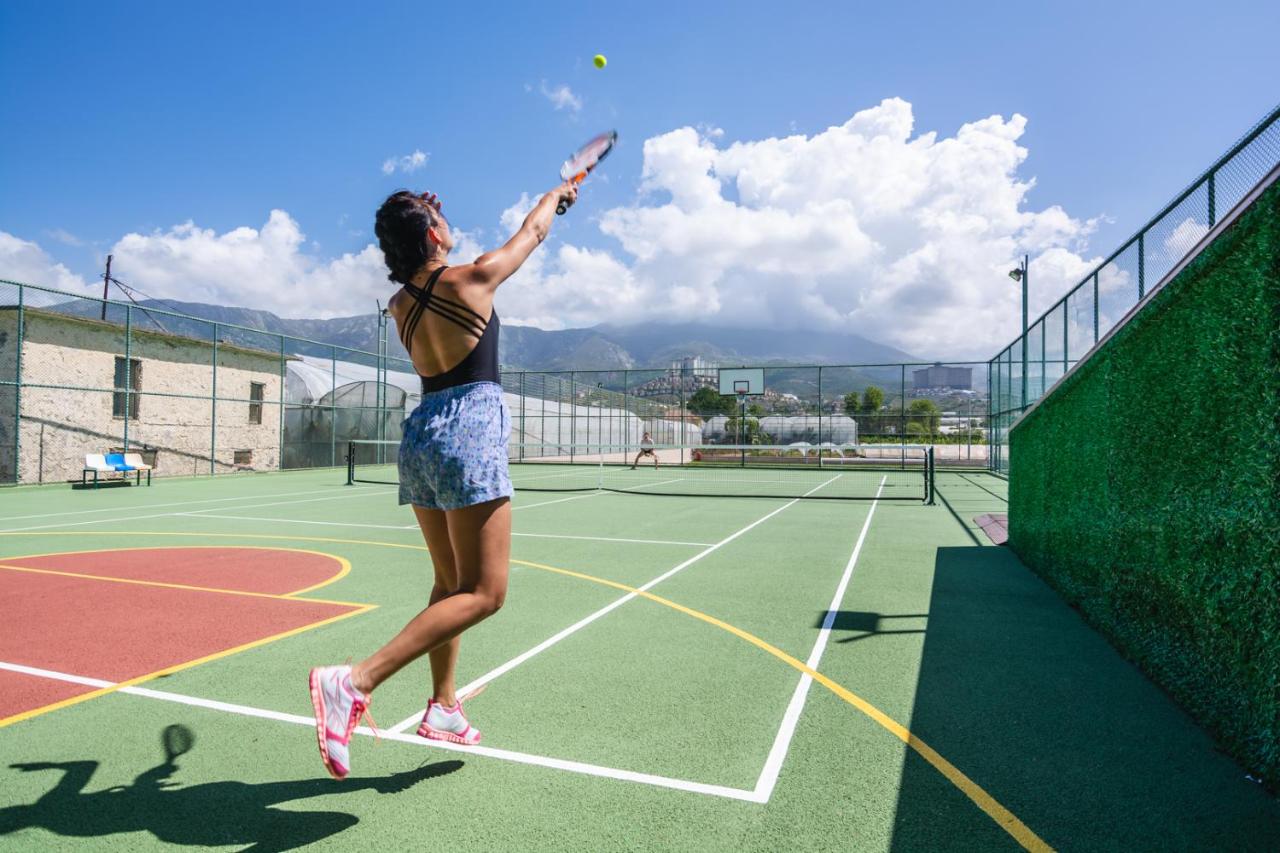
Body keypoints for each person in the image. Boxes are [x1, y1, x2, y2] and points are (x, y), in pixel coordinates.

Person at [308, 181, 578, 780]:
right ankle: (354, 681)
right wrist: (556, 196)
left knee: (448, 584)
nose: (447, 221)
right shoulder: (470, 280)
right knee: (484, 593)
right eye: (440, 217)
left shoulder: (399, 304)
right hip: (469, 431)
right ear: (433, 233)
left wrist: (420, 213)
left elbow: (424, 258)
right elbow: (533, 232)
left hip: (422, 434)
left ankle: (445, 706)